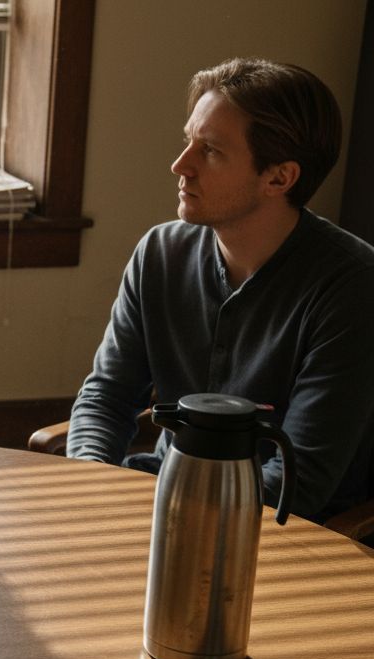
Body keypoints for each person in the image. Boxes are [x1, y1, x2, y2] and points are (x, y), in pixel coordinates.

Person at [67, 58, 374, 524]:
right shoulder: (161, 252)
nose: (180, 164)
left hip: (290, 535)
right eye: (188, 140)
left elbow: (300, 478)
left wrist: (158, 515)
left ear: (279, 177)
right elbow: (107, 395)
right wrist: (88, 480)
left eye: (209, 150)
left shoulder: (353, 286)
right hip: (158, 498)